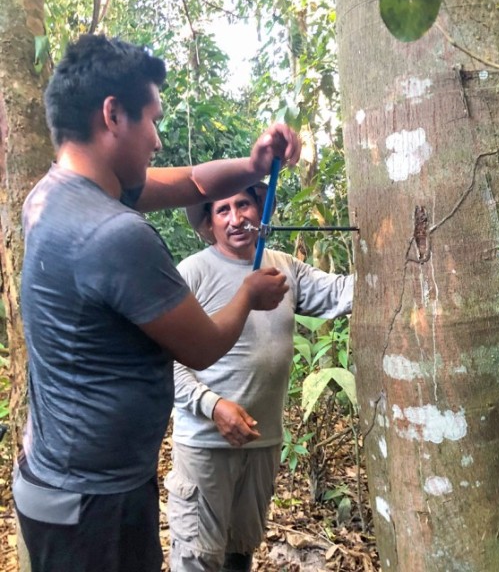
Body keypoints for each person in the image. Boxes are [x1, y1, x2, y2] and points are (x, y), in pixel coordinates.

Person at [12, 33, 301, 572]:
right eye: (152, 120)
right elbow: (203, 347)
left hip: (61, 483)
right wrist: (248, 293)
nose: (157, 141)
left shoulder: (54, 194)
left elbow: (191, 182)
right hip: (93, 508)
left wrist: (255, 163)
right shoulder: (116, 234)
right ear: (113, 114)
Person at [166, 183, 354, 572]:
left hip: (262, 443)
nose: (236, 219)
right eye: (223, 210)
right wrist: (213, 406)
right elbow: (165, 359)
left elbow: (340, 294)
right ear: (208, 223)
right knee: (198, 559)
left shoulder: (284, 267)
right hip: (205, 445)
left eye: (244, 205)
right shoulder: (193, 273)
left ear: (260, 211)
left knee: (240, 552)